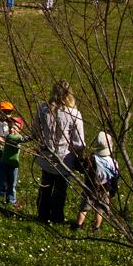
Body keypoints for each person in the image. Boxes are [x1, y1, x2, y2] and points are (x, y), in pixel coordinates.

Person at [34, 80, 86, 225]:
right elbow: (79, 143)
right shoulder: (74, 114)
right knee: (60, 191)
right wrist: (78, 156)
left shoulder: (43, 109)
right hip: (65, 159)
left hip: (46, 156)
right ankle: (57, 217)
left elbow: (35, 131)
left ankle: (42, 214)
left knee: (45, 187)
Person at [72, 131, 119, 232]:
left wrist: (77, 160)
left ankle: (78, 225)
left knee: (84, 208)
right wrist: (113, 192)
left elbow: (82, 169)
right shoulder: (113, 162)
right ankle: (96, 228)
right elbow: (115, 179)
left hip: (90, 187)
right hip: (105, 189)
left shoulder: (91, 159)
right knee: (100, 210)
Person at [0, 116, 27, 208]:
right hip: (4, 163)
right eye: (11, 127)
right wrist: (34, 137)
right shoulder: (11, 137)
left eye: (15, 127)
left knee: (12, 184)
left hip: (14, 165)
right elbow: (23, 140)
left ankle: (11, 201)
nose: (12, 129)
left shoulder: (18, 136)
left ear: (20, 129)